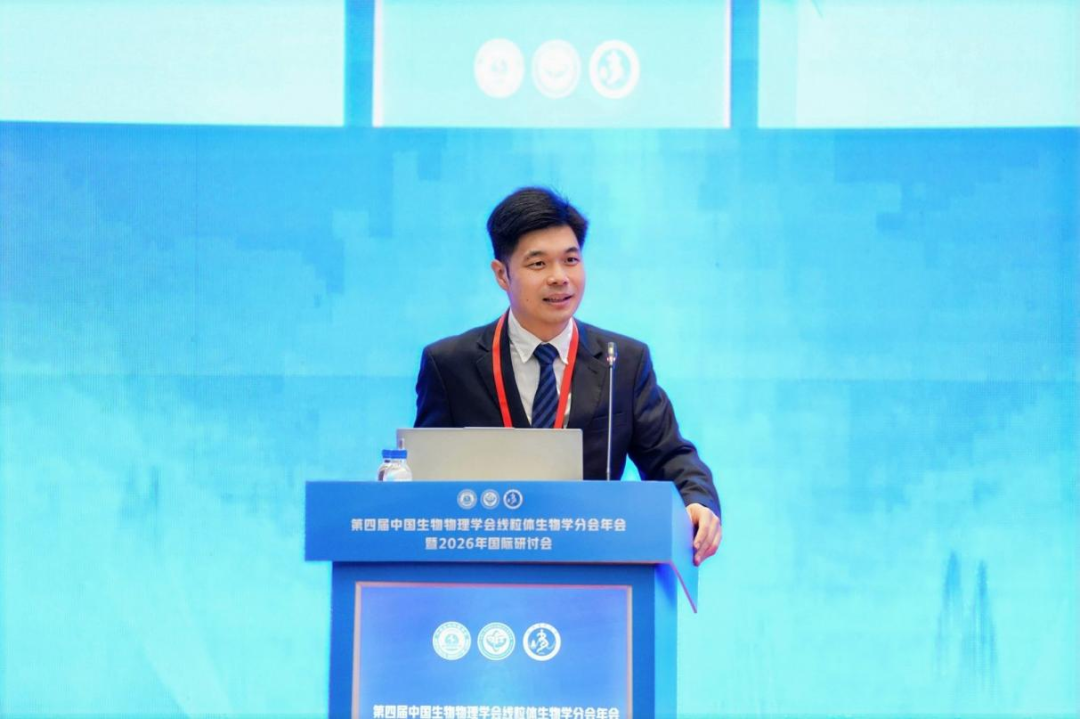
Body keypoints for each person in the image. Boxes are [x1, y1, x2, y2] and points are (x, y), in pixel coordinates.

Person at [414, 187, 722, 565]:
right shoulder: (450, 365)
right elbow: (426, 478)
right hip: (485, 569)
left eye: (571, 260)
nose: (560, 278)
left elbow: (671, 457)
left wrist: (695, 501)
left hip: (595, 569)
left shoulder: (623, 362)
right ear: (501, 274)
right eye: (538, 264)